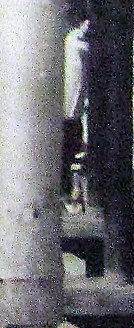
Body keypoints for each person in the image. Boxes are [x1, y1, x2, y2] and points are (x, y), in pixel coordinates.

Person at [63, 16, 91, 207]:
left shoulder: (73, 41)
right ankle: (72, 190)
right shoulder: (74, 40)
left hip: (75, 108)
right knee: (74, 146)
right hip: (72, 111)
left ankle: (74, 190)